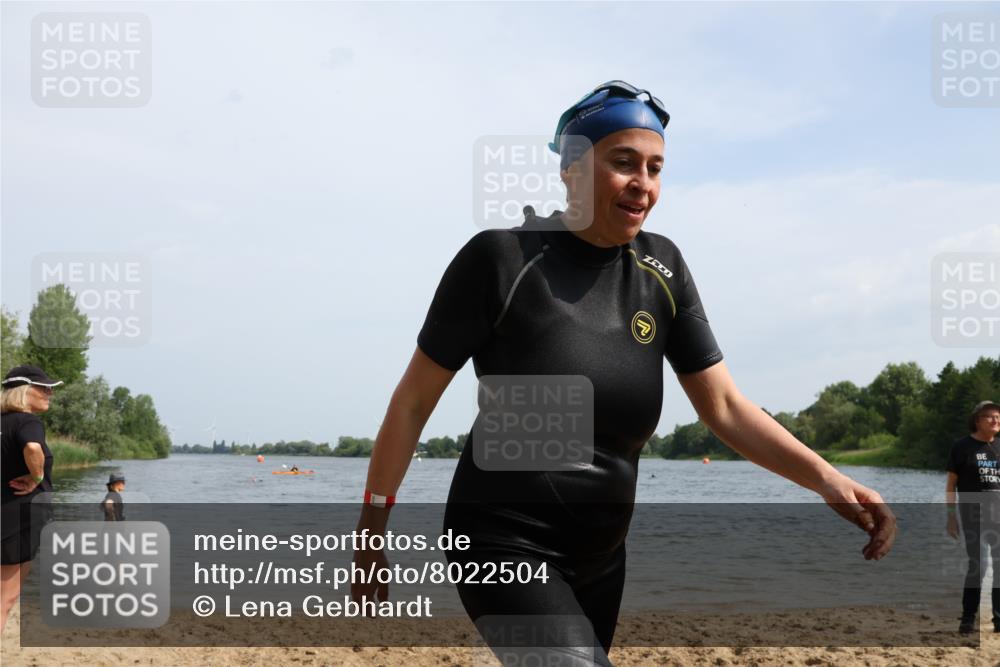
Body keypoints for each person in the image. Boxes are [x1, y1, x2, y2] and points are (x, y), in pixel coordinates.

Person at [353, 80, 896, 664]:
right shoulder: (502, 259)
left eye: (656, 168)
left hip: (602, 556)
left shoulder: (662, 267)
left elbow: (726, 408)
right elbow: (412, 402)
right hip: (501, 540)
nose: (643, 184)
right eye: (623, 163)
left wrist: (827, 479)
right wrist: (371, 530)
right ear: (571, 169)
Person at [1, 364, 62, 633]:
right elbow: (33, 447)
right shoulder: (28, 421)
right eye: (45, 387)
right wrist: (36, 477)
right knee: (6, 599)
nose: (50, 393)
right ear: (25, 391)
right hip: (19, 521)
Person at [946, 399, 1000, 634]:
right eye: (990, 416)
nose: (996, 420)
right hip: (972, 515)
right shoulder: (962, 447)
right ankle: (968, 619)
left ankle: (998, 621)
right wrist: (951, 516)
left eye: (998, 416)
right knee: (978, 565)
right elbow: (951, 485)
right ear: (977, 420)